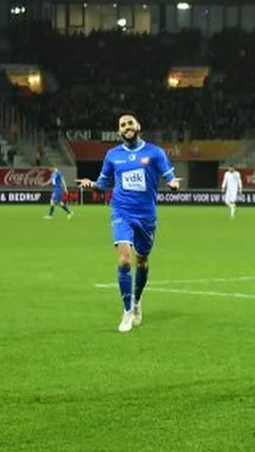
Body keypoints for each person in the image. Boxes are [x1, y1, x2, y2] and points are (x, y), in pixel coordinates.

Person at [76, 113, 180, 333]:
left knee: (141, 261)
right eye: (122, 125)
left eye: (130, 123)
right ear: (119, 131)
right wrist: (91, 184)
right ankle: (126, 312)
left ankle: (137, 299)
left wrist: (173, 183)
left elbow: (169, 176)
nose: (126, 127)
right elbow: (102, 184)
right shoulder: (113, 155)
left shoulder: (155, 152)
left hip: (146, 216)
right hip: (121, 211)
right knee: (124, 259)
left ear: (138, 126)